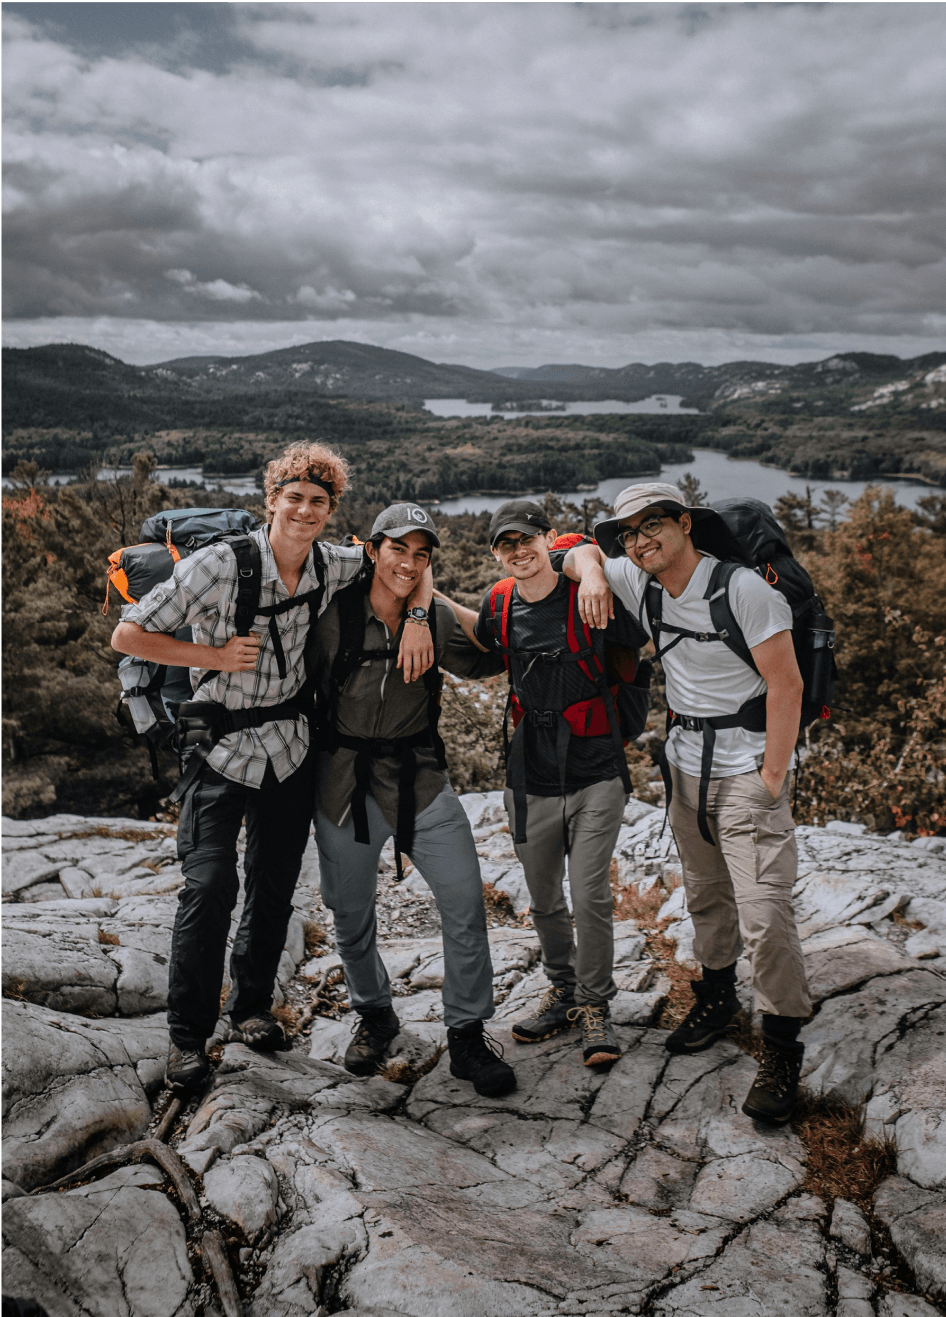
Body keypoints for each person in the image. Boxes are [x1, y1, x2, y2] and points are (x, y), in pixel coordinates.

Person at [110, 442, 433, 1093]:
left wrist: (421, 614)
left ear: (329, 509)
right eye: (295, 497)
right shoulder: (217, 565)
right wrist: (213, 655)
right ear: (272, 499)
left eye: (318, 501)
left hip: (289, 745)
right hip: (215, 742)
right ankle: (187, 1038)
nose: (305, 510)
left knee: (272, 885)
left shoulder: (331, 562)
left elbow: (405, 567)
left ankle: (251, 1006)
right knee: (208, 887)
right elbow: (127, 634)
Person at [564, 481, 811, 1124]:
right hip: (683, 768)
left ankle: (782, 1049)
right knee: (704, 894)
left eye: (655, 526)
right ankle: (718, 996)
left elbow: (787, 686)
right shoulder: (640, 580)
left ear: (685, 524)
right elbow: (567, 551)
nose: (642, 541)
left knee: (765, 913)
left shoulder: (745, 591)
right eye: (629, 534)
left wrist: (772, 779)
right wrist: (593, 570)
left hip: (746, 771)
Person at [312, 502, 516, 1098]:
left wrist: (538, 607)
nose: (408, 562)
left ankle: (468, 1035)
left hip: (418, 779)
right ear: (372, 549)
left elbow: (488, 658)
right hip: (342, 785)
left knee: (462, 899)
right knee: (349, 913)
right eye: (397, 548)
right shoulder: (331, 616)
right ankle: (375, 1012)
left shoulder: (435, 617)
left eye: (420, 553)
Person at [442, 499, 642, 1069]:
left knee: (589, 893)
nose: (519, 551)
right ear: (496, 554)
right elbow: (479, 639)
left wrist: (594, 567)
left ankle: (595, 1006)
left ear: (549, 540)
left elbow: (637, 643)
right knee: (545, 899)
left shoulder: (589, 595)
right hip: (529, 776)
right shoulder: (500, 603)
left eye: (528, 540)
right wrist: (423, 595)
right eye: (507, 544)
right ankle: (562, 991)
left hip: (596, 770)